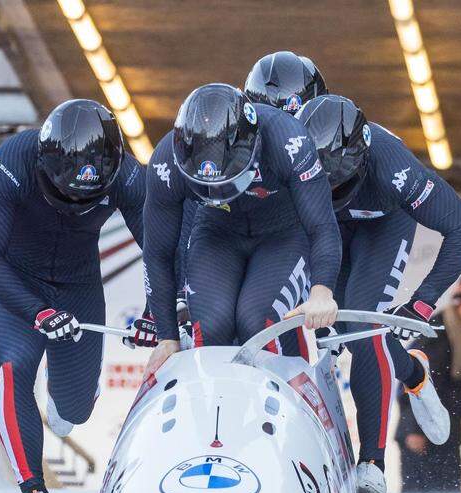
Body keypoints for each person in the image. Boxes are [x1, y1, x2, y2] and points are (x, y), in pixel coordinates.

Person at [0, 99, 151, 493]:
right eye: (64, 193)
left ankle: (63, 400)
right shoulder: (10, 163)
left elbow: (160, 247)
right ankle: (33, 491)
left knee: (74, 412)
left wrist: (156, 312)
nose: (72, 203)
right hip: (17, 285)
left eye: (84, 198)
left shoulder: (127, 174)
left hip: (78, 285)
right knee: (16, 365)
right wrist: (38, 311)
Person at [296, 91, 461, 493]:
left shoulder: (395, 170)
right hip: (324, 226)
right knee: (325, 327)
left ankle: (372, 462)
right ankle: (412, 369)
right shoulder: (287, 152)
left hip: (383, 226)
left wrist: (422, 299)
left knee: (363, 329)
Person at [142, 83, 340, 375]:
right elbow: (158, 252)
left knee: (257, 321)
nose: (217, 190)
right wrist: (167, 337)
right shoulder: (165, 163)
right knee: (211, 326)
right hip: (217, 234)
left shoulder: (289, 141)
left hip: (282, 235)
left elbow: (322, 225)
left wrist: (322, 292)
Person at [394, 278, 461, 493]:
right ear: (457, 307)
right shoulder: (438, 336)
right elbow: (414, 384)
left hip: (440, 432)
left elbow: (449, 393)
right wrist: (414, 429)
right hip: (425, 435)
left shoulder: (454, 336)